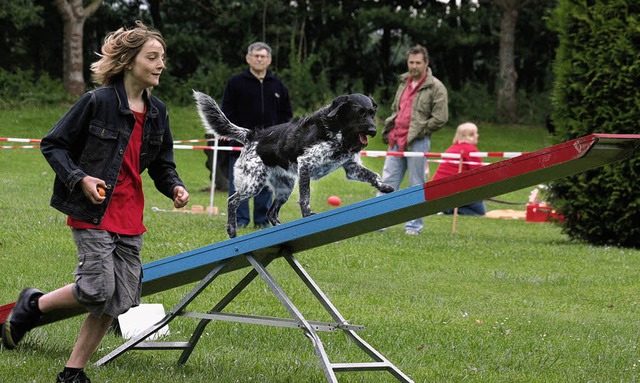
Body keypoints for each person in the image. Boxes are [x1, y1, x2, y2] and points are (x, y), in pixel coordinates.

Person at [0, 21, 190, 383]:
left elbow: (163, 165)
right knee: (97, 290)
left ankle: (72, 372)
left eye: (162, 57)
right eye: (152, 57)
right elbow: (53, 143)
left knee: (119, 299)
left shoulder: (158, 112)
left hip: (131, 217)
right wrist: (80, 178)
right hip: (94, 211)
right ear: (129, 60)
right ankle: (32, 305)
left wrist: (176, 187)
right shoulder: (97, 102)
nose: (160, 64)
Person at [221, 41, 293, 229]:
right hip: (242, 142)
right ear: (248, 58)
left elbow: (286, 114)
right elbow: (227, 110)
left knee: (266, 182)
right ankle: (240, 219)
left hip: (270, 146)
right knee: (240, 182)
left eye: (263, 56)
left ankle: (262, 220)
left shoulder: (278, 85)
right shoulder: (235, 83)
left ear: (269, 60)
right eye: (256, 56)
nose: (259, 59)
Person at [379, 44, 448, 235]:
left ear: (426, 63)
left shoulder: (436, 87)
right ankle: (378, 222)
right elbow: (397, 108)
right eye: (411, 62)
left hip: (418, 141)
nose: (414, 66)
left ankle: (413, 227)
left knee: (416, 184)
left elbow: (440, 118)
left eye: (418, 63)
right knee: (387, 181)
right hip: (396, 138)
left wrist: (420, 130)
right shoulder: (403, 82)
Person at [432, 122, 486, 216]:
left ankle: (444, 206)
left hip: (437, 190)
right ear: (470, 136)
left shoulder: (452, 148)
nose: (478, 135)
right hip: (453, 190)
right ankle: (448, 209)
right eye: (476, 133)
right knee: (480, 212)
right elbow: (479, 174)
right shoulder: (471, 150)